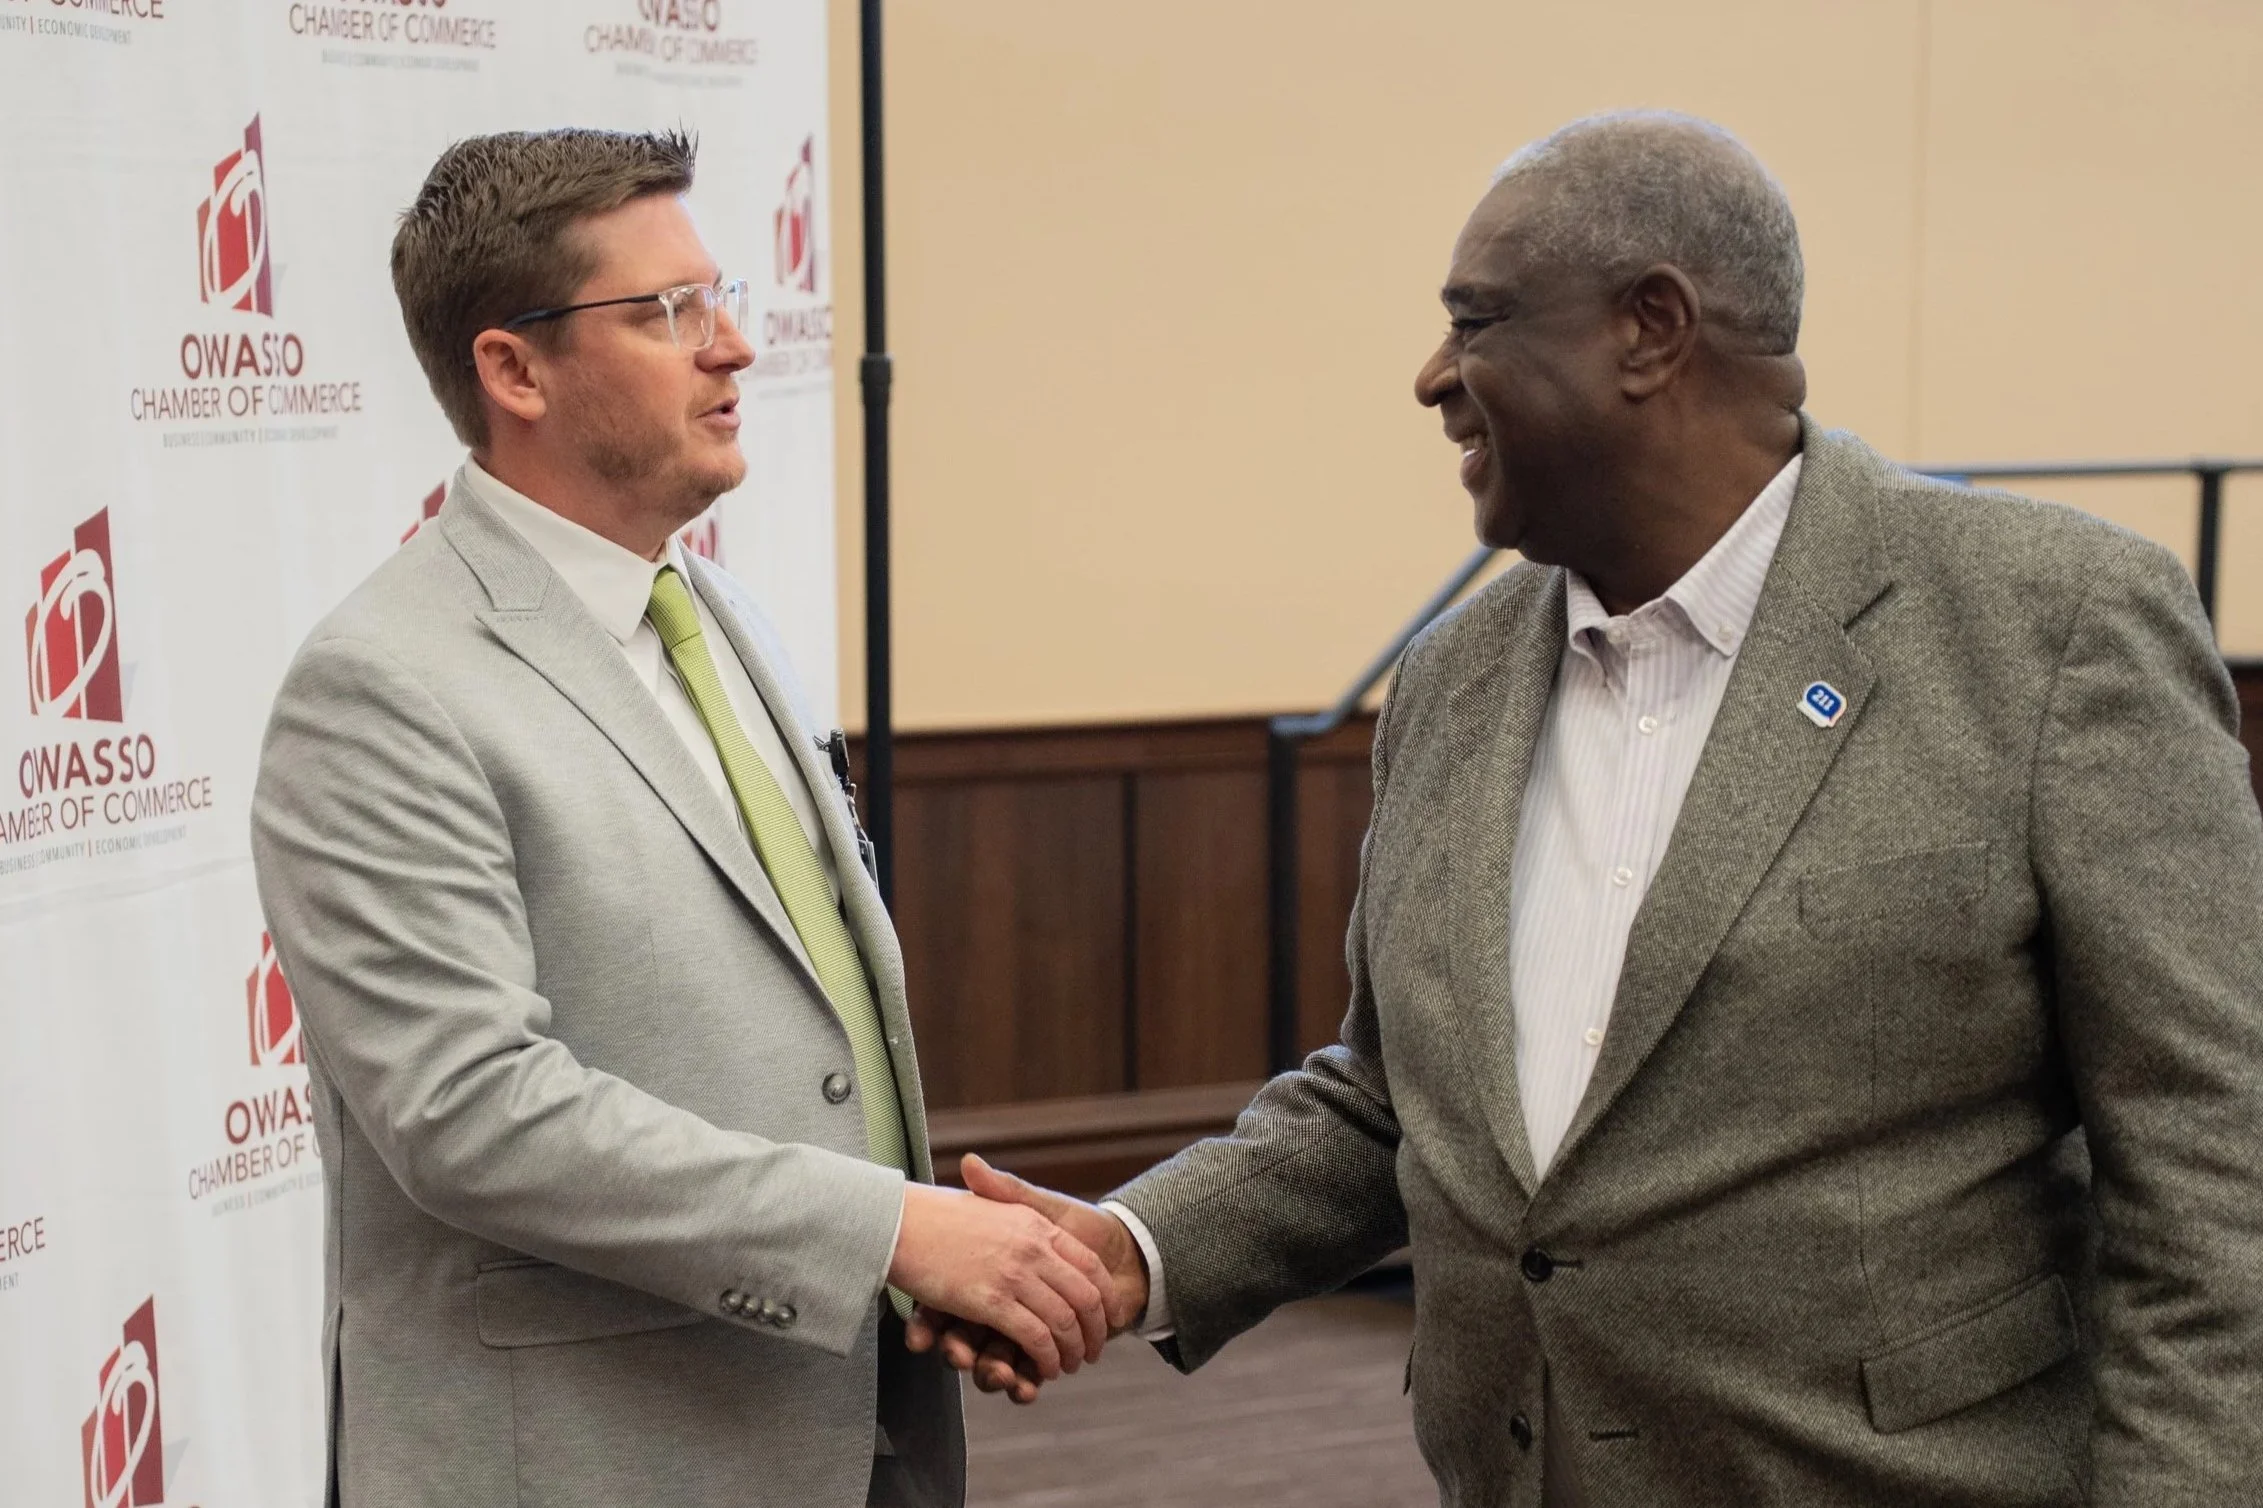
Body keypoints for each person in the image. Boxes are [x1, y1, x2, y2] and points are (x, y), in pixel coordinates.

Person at [914, 111, 2263, 1505]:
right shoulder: (1451, 681)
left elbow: (2215, 1174)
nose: (1433, 377)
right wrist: (1129, 1251)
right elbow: (1394, 1104)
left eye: (1476, 321)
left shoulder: (2048, 627)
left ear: (1649, 330)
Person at [250, 128, 1117, 1508]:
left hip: (851, 1422)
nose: (727, 347)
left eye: (717, 300)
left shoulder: (720, 616)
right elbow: (471, 1112)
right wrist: (890, 1229)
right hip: (594, 1458)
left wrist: (912, 1267)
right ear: (511, 368)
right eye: (664, 313)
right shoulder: (381, 687)